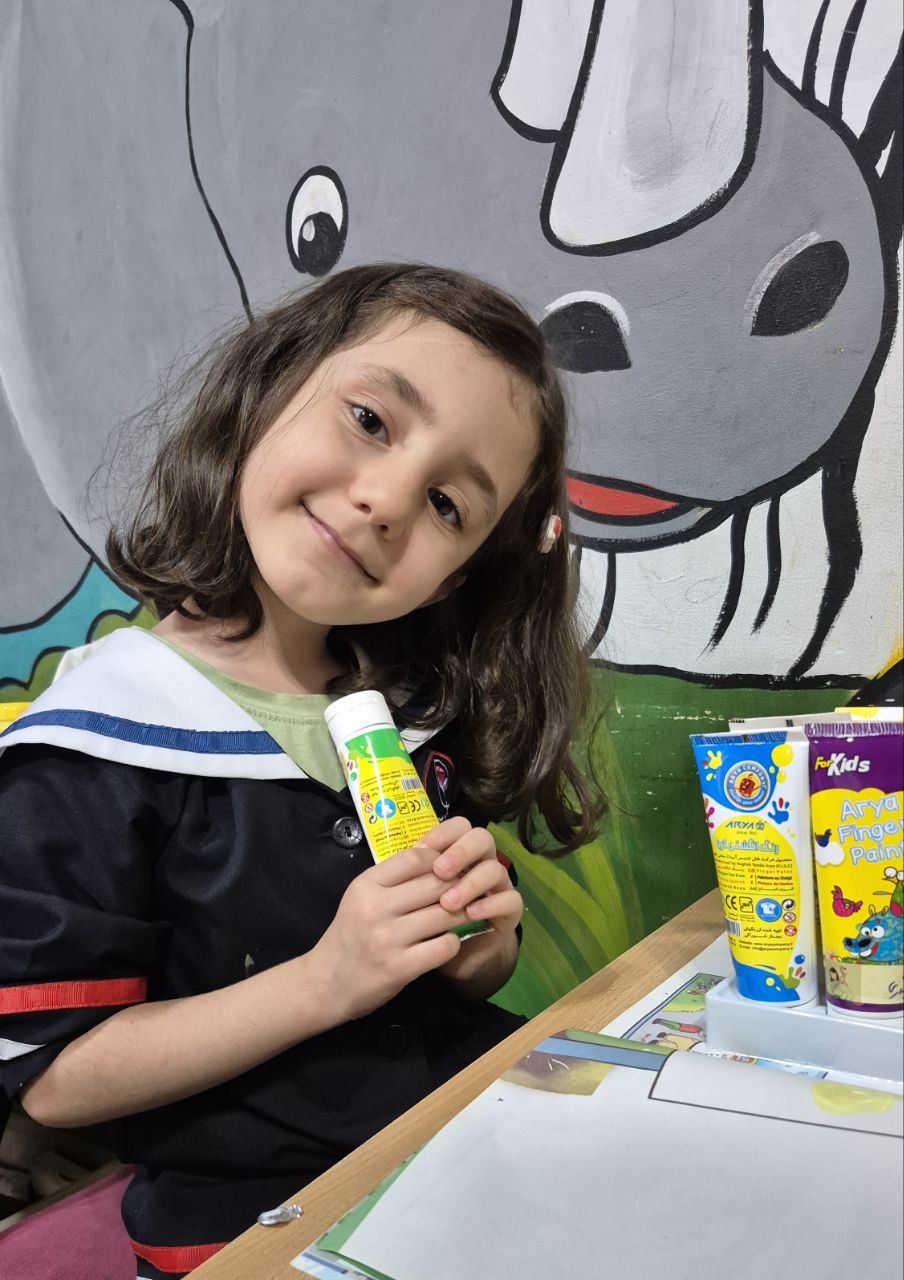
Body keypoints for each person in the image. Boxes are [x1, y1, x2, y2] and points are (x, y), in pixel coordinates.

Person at [0, 263, 601, 1278]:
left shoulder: (400, 718)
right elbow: (56, 1078)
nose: (385, 501)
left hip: (466, 1150)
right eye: (369, 419)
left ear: (456, 575)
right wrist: (327, 980)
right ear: (267, 390)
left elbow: (451, 974)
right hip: (254, 1226)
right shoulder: (93, 744)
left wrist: (477, 946)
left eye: (448, 503)